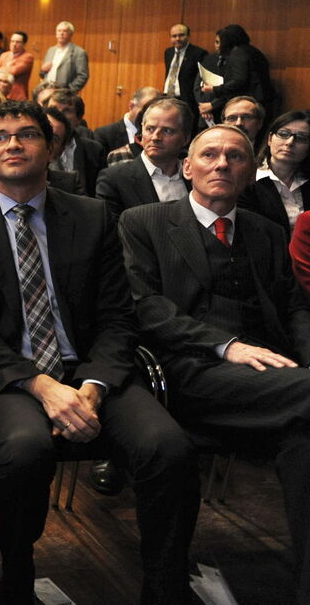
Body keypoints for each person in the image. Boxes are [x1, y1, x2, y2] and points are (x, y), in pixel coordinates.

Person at [0, 100, 198, 605]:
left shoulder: (92, 215)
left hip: (93, 370)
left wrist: (93, 389)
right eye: (0, 137)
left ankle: (165, 585)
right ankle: (17, 576)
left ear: (50, 147)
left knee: (168, 446)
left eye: (27, 134)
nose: (13, 144)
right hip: (10, 375)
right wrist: (44, 387)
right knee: (24, 450)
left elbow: (119, 317)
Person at [120, 123, 310, 603]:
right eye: (209, 155)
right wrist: (226, 345)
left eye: (235, 157)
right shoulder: (144, 222)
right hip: (187, 370)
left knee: (306, 443)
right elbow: (145, 306)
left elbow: (293, 308)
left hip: (276, 382)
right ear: (187, 168)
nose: (221, 164)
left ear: (250, 172)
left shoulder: (266, 232)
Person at [95, 96, 191, 218]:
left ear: (186, 138)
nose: (155, 137)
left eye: (167, 131)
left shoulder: (196, 177)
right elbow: (111, 232)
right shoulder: (114, 179)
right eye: (150, 129)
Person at [240, 110, 310, 237]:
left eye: (301, 138)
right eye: (283, 134)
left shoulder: (306, 182)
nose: (289, 142)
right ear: (270, 139)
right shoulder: (248, 180)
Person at [197, 24, 276, 122]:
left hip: (249, 104)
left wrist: (215, 89)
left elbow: (239, 81)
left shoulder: (238, 53)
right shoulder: (255, 52)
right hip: (264, 102)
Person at [162, 23, 207, 125]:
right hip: (167, 97)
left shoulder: (199, 53)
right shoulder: (168, 52)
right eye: (174, 36)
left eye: (181, 35)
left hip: (186, 99)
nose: (177, 38)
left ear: (188, 36)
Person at [40, 21, 89, 91]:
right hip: (47, 90)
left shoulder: (79, 52)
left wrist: (69, 91)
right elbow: (42, 73)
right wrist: (42, 70)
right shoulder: (50, 50)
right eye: (59, 31)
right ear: (56, 33)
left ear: (71, 34)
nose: (61, 33)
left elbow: (82, 76)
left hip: (64, 93)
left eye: (65, 31)